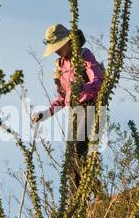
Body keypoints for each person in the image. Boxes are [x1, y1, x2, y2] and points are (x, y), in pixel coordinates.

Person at [30, 23, 103, 190]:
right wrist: (45, 114)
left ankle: (85, 200)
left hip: (92, 106)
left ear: (67, 42)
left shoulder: (84, 56)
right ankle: (90, 198)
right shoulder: (60, 66)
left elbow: (98, 81)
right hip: (75, 113)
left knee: (79, 153)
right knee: (72, 161)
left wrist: (80, 89)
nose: (55, 50)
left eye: (57, 46)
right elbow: (63, 98)